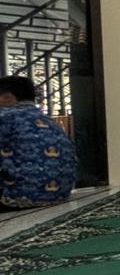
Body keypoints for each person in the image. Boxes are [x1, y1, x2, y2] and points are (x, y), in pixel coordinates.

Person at [0, 75, 76, 209]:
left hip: (15, 197)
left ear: (7, 97)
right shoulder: (49, 121)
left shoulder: (4, 116)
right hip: (60, 194)